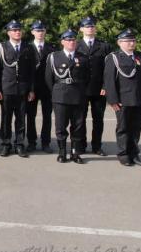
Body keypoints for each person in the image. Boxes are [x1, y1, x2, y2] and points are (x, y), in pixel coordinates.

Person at [104, 29, 141, 166]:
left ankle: (134, 154)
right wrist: (113, 100)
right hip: (123, 100)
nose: (131, 43)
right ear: (119, 43)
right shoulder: (114, 58)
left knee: (137, 128)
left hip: (140, 99)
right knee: (123, 128)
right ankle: (123, 154)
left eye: (133, 40)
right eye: (128, 41)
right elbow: (109, 81)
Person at [45, 29, 89, 164]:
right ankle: (62, 152)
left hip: (78, 95)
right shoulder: (54, 57)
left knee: (78, 126)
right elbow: (48, 78)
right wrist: (56, 92)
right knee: (61, 126)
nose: (71, 42)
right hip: (60, 95)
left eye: (74, 40)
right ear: (62, 42)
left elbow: (87, 77)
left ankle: (75, 153)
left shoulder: (83, 57)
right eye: (68, 40)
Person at [0, 20, 37, 158]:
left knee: (21, 119)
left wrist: (31, 89)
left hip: (23, 89)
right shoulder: (1, 47)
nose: (17, 32)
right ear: (8, 33)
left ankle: (19, 144)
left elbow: (31, 71)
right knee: (6, 118)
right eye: (14, 30)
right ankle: (6, 144)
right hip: (6, 89)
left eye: (19, 30)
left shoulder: (28, 48)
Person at [77, 16, 112, 156]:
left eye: (92, 26)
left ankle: (97, 146)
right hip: (81, 89)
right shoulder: (76, 45)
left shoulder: (104, 46)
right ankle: (81, 145)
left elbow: (109, 69)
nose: (90, 28)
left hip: (99, 89)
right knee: (80, 119)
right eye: (87, 26)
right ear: (81, 29)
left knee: (98, 119)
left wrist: (106, 86)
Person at [28, 21, 56, 153]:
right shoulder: (27, 48)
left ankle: (46, 142)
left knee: (47, 116)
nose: (40, 33)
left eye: (42, 30)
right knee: (30, 116)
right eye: (37, 30)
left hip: (47, 87)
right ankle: (31, 142)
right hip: (32, 87)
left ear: (45, 32)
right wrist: (29, 88)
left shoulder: (51, 48)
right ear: (32, 32)